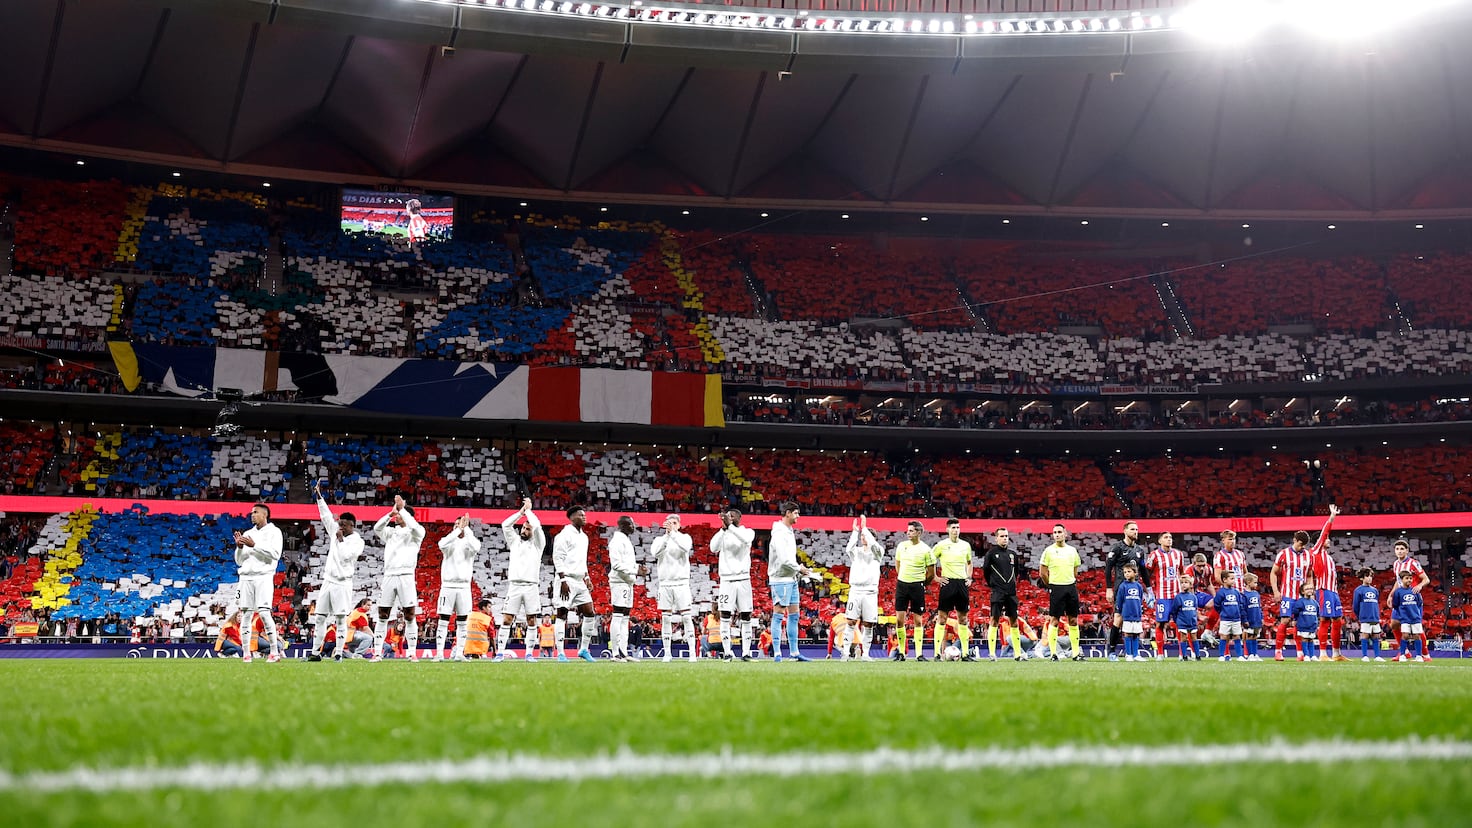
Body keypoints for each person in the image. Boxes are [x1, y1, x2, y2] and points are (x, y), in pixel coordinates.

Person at [1271, 506, 1336, 661]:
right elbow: (1273, 573)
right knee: (1285, 620)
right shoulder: (1283, 554)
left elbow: (1309, 575)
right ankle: (1278, 651)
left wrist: (1310, 590)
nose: (1302, 547)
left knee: (1300, 624)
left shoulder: (1308, 555)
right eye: (1300, 544)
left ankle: (1300, 653)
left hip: (1302, 596)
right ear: (1294, 540)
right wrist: (1276, 591)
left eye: (1304, 545)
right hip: (1288, 594)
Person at [308, 482, 363, 663]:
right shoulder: (336, 532)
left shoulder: (357, 541)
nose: (340, 527)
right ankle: (315, 653)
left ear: (352, 526)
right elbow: (326, 516)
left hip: (342, 583)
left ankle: (338, 653)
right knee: (320, 618)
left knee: (340, 619)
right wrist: (319, 497)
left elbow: (346, 556)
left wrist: (340, 540)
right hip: (328, 581)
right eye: (340, 524)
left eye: (344, 525)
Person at [369, 494, 425, 662]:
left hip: (406, 576)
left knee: (410, 615)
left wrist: (402, 510)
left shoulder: (416, 532)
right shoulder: (391, 532)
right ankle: (377, 653)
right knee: (383, 614)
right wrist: (390, 514)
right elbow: (377, 528)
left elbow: (414, 526)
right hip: (389, 575)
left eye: (399, 514)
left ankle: (412, 652)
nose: (397, 516)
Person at [233, 503, 285, 663]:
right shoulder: (248, 533)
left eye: (255, 512)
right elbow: (239, 561)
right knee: (246, 614)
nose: (252, 515)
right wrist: (239, 548)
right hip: (246, 578)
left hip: (263, 577)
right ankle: (246, 654)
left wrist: (254, 546)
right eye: (251, 513)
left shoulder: (274, 532)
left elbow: (275, 554)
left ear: (264, 515)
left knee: (264, 613)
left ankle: (274, 652)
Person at [496, 498, 544, 662]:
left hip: (531, 586)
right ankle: (500, 653)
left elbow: (537, 525)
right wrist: (521, 512)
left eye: (527, 529)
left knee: (531, 620)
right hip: (514, 585)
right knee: (507, 619)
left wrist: (529, 511)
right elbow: (505, 525)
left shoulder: (538, 545)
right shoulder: (515, 541)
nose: (524, 530)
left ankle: (529, 654)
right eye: (523, 528)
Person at [768, 501, 815, 663]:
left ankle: (794, 653)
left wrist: (797, 569)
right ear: (787, 513)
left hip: (791, 578)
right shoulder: (779, 533)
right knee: (778, 615)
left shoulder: (789, 531)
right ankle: (777, 653)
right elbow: (783, 559)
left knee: (794, 615)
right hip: (780, 579)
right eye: (796, 513)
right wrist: (799, 568)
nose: (798, 516)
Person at [553, 504, 598, 663]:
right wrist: (563, 580)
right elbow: (558, 557)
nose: (584, 517)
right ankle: (560, 653)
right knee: (562, 614)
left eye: (584, 515)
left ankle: (584, 649)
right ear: (572, 518)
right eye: (581, 515)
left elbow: (582, 560)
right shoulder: (564, 535)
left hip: (580, 580)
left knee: (590, 613)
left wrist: (587, 577)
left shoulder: (584, 537)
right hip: (566, 579)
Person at [433, 513, 481, 662]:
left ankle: (460, 653)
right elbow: (441, 544)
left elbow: (477, 546)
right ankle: (439, 654)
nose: (458, 527)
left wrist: (466, 530)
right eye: (456, 525)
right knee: (443, 619)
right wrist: (458, 529)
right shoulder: (449, 543)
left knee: (462, 621)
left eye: (461, 524)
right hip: (448, 586)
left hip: (464, 587)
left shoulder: (469, 543)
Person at [711, 508, 756, 661]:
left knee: (746, 615)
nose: (729, 518)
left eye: (732, 515)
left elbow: (746, 540)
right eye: (727, 516)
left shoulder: (747, 532)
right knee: (724, 615)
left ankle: (746, 652)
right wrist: (723, 529)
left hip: (743, 579)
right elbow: (713, 548)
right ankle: (727, 652)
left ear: (739, 517)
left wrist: (729, 526)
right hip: (726, 580)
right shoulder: (724, 533)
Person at [652, 513, 697, 663]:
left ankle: (692, 653)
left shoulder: (685, 538)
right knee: (666, 618)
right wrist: (667, 536)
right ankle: (667, 653)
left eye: (674, 523)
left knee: (686, 617)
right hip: (665, 583)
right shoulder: (659, 540)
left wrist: (673, 534)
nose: (671, 525)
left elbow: (685, 548)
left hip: (681, 583)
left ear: (679, 525)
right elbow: (655, 553)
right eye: (669, 523)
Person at [931, 518, 975, 661]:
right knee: (942, 618)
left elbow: (969, 563)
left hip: (961, 583)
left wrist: (969, 577)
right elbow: (931, 560)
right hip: (948, 582)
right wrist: (936, 577)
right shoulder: (941, 545)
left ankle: (965, 654)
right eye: (953, 527)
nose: (956, 530)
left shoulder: (965, 545)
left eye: (957, 527)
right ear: (947, 530)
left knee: (963, 618)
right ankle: (937, 654)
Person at [891, 520, 935, 662]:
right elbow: (897, 565)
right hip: (902, 585)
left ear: (919, 532)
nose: (908, 533)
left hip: (917, 586)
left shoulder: (926, 549)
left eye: (911, 531)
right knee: (899, 620)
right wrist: (903, 577)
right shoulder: (901, 546)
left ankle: (919, 654)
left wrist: (922, 583)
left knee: (918, 620)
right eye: (908, 530)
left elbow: (931, 573)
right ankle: (901, 652)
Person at [841, 515, 883, 662]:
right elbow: (849, 548)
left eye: (865, 535)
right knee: (851, 622)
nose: (863, 537)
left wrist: (865, 529)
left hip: (870, 592)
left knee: (869, 624)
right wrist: (855, 531)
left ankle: (865, 654)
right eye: (862, 536)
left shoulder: (878, 552)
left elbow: (874, 545)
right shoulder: (857, 552)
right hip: (856, 591)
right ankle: (846, 652)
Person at [1040, 523, 1084, 661]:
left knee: (1073, 620)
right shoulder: (1048, 551)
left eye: (1059, 532)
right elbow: (1042, 573)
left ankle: (1076, 654)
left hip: (1070, 587)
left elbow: (1075, 571)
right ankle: (1053, 654)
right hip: (1056, 587)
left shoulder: (1072, 551)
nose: (1057, 534)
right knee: (1054, 620)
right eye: (1055, 532)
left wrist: (1069, 580)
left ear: (1065, 533)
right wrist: (1051, 585)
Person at [1104, 521, 1148, 660]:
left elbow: (1143, 570)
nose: (1135, 531)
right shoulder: (1117, 548)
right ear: (1125, 531)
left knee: (1134, 620)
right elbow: (1108, 568)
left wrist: (1149, 589)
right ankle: (1112, 651)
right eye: (1132, 529)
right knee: (1118, 619)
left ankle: (1133, 653)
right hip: (1120, 587)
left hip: (1134, 589)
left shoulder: (1139, 550)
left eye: (1137, 529)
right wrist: (1109, 588)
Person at [607, 515, 646, 662]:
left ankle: (623, 652)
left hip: (628, 582)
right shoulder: (616, 541)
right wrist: (635, 570)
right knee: (617, 616)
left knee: (625, 619)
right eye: (630, 524)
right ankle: (615, 653)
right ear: (623, 525)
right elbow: (616, 564)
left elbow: (627, 563)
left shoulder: (626, 540)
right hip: (619, 582)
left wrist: (638, 568)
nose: (633, 526)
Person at [983, 527, 1025, 662]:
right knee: (994, 620)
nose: (1005, 538)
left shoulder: (1013, 554)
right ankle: (992, 654)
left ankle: (1017, 654)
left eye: (1006, 536)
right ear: (996, 538)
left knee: (1014, 621)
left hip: (1011, 593)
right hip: (997, 592)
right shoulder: (991, 554)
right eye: (1002, 536)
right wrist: (994, 584)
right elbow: (986, 571)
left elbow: (1016, 572)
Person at [1388, 540, 1432, 657]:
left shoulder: (1413, 563)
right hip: (1400, 599)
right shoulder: (1396, 564)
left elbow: (1426, 579)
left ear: (1407, 550)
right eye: (1397, 549)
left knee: (1417, 627)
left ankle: (1425, 654)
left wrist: (1419, 586)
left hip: (1412, 600)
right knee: (1394, 624)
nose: (1399, 551)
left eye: (1402, 549)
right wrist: (1391, 594)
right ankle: (1405, 652)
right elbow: (1398, 582)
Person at [1145, 531, 1184, 659]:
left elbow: (1181, 572)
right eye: (1166, 537)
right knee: (1160, 624)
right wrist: (1149, 592)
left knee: (1180, 625)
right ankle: (1160, 654)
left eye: (1170, 537)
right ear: (1160, 541)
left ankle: (1182, 654)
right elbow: (1146, 574)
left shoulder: (1178, 554)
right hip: (1162, 596)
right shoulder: (1154, 555)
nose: (1169, 539)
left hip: (1177, 595)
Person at [1312, 536, 1346, 662]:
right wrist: (1331, 522)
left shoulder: (1329, 557)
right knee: (1325, 620)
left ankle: (1336, 654)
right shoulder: (1317, 553)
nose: (1329, 540)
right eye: (1326, 539)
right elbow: (1324, 533)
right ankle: (1322, 654)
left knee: (1338, 621)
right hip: (1324, 589)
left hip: (1333, 591)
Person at [1390, 570, 1428, 663]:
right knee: (1405, 635)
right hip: (1404, 619)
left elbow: (1419, 603)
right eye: (1407, 578)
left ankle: (1418, 656)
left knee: (1417, 636)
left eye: (1410, 578)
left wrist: (1415, 613)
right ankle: (1403, 655)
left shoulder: (1415, 591)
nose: (1409, 580)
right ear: (1401, 580)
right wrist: (1402, 614)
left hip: (1415, 618)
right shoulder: (1398, 592)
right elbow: (1395, 605)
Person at [1113, 563, 1146, 661]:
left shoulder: (1139, 586)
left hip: (1137, 614)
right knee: (1128, 633)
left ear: (1135, 573)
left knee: (1136, 633)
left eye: (1129, 571)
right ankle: (1129, 654)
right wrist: (1120, 612)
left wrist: (1140, 611)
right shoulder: (1123, 586)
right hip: (1127, 614)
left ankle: (1136, 654)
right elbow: (1119, 600)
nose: (1126, 574)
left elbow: (1140, 599)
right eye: (1125, 572)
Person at [1351, 568, 1385, 662]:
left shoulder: (1375, 590)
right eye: (1367, 576)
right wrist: (1361, 616)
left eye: (1371, 576)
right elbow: (1355, 606)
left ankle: (1377, 656)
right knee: (1365, 636)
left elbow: (1376, 603)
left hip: (1375, 617)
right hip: (1365, 617)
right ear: (1362, 578)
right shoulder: (1358, 590)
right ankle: (1365, 656)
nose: (1369, 578)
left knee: (1376, 636)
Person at [1169, 575, 1204, 661]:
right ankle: (1184, 656)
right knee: (1183, 637)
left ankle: (1198, 655)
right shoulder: (1178, 597)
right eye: (1182, 583)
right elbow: (1174, 610)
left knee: (1194, 637)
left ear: (1191, 584)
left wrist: (1196, 619)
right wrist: (1177, 620)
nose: (1183, 584)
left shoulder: (1193, 597)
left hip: (1192, 621)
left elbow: (1195, 609)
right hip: (1182, 621)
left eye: (1186, 582)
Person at [1213, 576, 1246, 661]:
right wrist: (1223, 612)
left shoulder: (1236, 592)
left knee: (1237, 636)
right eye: (1231, 579)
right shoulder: (1220, 592)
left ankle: (1240, 656)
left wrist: (1241, 616)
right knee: (1224, 636)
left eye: (1233, 578)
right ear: (1224, 580)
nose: (1233, 580)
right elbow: (1216, 605)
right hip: (1225, 619)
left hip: (1236, 619)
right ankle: (1221, 655)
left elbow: (1240, 604)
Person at [1290, 582, 1321, 662]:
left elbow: (1317, 614)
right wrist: (1295, 620)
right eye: (1307, 589)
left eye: (1311, 589)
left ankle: (1312, 655)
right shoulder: (1300, 602)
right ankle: (1306, 655)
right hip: (1303, 624)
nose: (1309, 590)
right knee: (1304, 639)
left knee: (1311, 640)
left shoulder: (1315, 603)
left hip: (1312, 625)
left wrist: (1317, 623)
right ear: (1302, 592)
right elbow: (1295, 612)